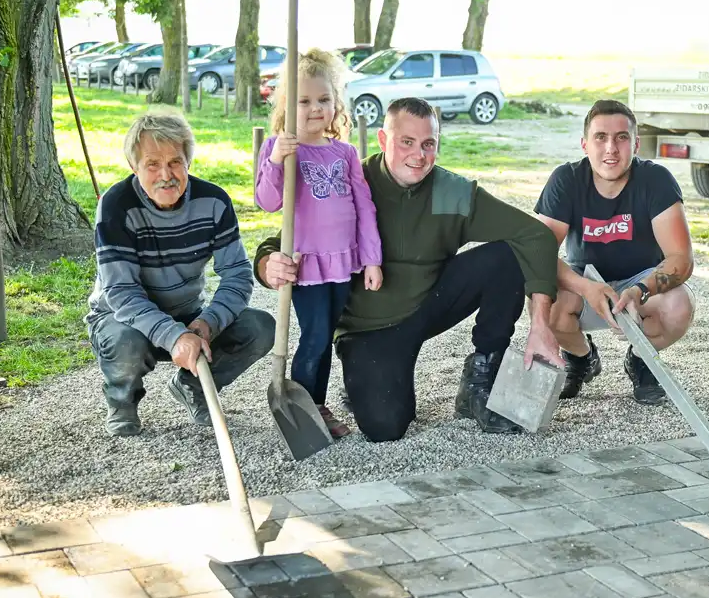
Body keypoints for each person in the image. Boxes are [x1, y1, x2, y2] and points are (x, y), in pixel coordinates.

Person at [254, 97, 563, 442]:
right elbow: (280, 242)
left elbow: (536, 236)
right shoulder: (352, 182)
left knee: (505, 256)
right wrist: (269, 265)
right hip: (368, 329)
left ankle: (481, 381)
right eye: (407, 142)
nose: (419, 155)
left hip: (431, 302)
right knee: (385, 426)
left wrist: (540, 324)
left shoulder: (452, 191)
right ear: (384, 141)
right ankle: (360, 381)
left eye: (429, 144)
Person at [86, 112, 275, 436]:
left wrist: (205, 323)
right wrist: (174, 336)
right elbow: (122, 293)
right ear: (134, 166)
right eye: (152, 164)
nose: (165, 175)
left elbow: (237, 274)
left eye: (175, 162)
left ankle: (192, 384)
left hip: (188, 313)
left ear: (188, 161)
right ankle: (122, 400)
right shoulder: (116, 206)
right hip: (123, 317)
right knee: (124, 341)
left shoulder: (214, 201)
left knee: (259, 328)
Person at [534, 99, 696, 405]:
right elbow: (537, 254)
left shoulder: (656, 180)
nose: (611, 148)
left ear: (635, 145)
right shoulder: (566, 179)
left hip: (640, 285)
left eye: (622, 138)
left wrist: (639, 291)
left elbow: (681, 259)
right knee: (540, 297)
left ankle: (641, 359)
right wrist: (586, 287)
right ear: (584, 144)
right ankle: (581, 358)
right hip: (586, 284)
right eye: (601, 137)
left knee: (679, 304)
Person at [255, 48, 382, 438]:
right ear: (286, 106)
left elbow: (365, 208)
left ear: (336, 103)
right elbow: (267, 200)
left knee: (326, 334)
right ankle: (305, 406)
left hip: (343, 262)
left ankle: (318, 403)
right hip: (307, 263)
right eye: (305, 101)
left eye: (324, 100)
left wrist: (372, 259)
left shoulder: (344, 152)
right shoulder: (281, 149)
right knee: (314, 335)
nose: (316, 109)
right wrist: (276, 159)